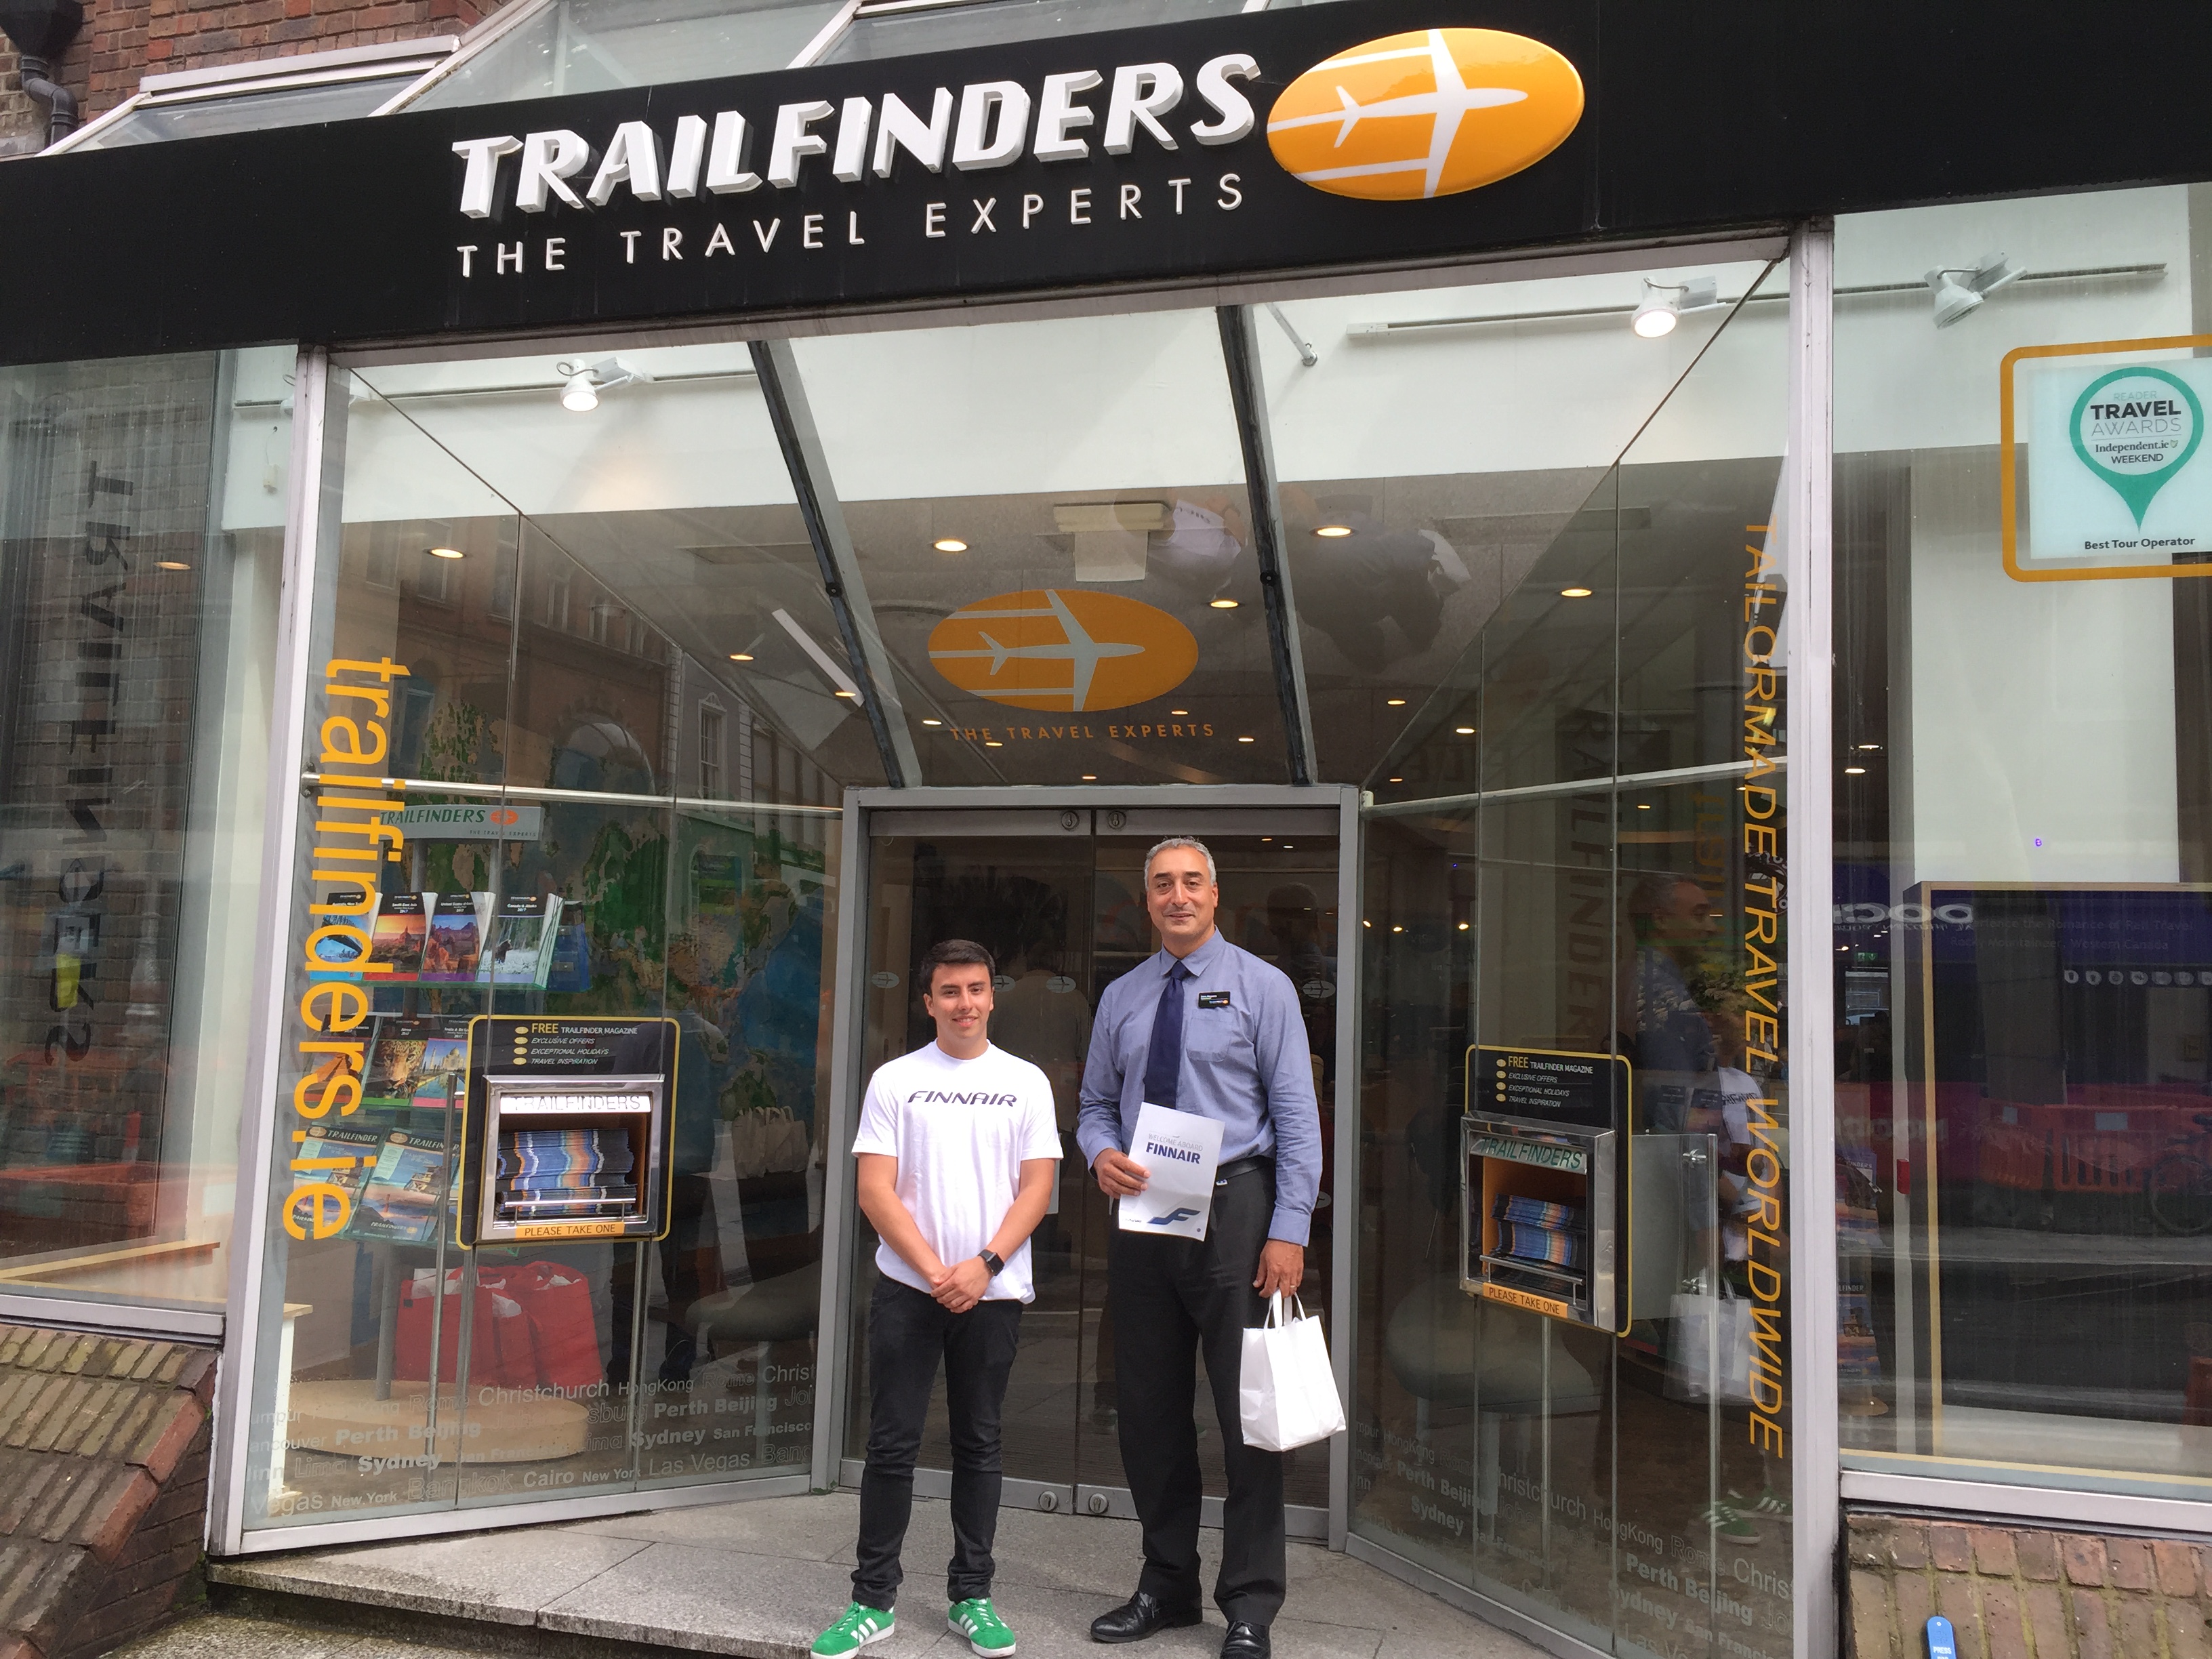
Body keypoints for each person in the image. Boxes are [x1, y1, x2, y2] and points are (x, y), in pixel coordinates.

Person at [1077, 838, 1323, 1659]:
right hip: (1145, 1211)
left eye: (1191, 882)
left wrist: (1289, 1228)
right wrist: (1098, 1152)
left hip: (1237, 1207)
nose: (1176, 896)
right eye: (1162, 885)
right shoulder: (1123, 995)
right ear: (1147, 900)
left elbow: (1297, 1118)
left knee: (1247, 1412)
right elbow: (1094, 1104)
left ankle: (1250, 1602)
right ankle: (1167, 1583)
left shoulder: (1264, 987)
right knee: (1148, 1407)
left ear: (1215, 895)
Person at [812, 940, 1061, 1659]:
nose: (965, 1003)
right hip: (908, 1292)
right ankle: (872, 1601)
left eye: (976, 989)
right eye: (950, 992)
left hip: (994, 1291)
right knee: (891, 1445)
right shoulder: (896, 1080)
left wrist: (983, 1266)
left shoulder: (1025, 1082)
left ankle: (972, 1596)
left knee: (979, 1443)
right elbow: (874, 1190)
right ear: (928, 1003)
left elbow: (1037, 1189)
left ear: (993, 995)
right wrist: (935, 1273)